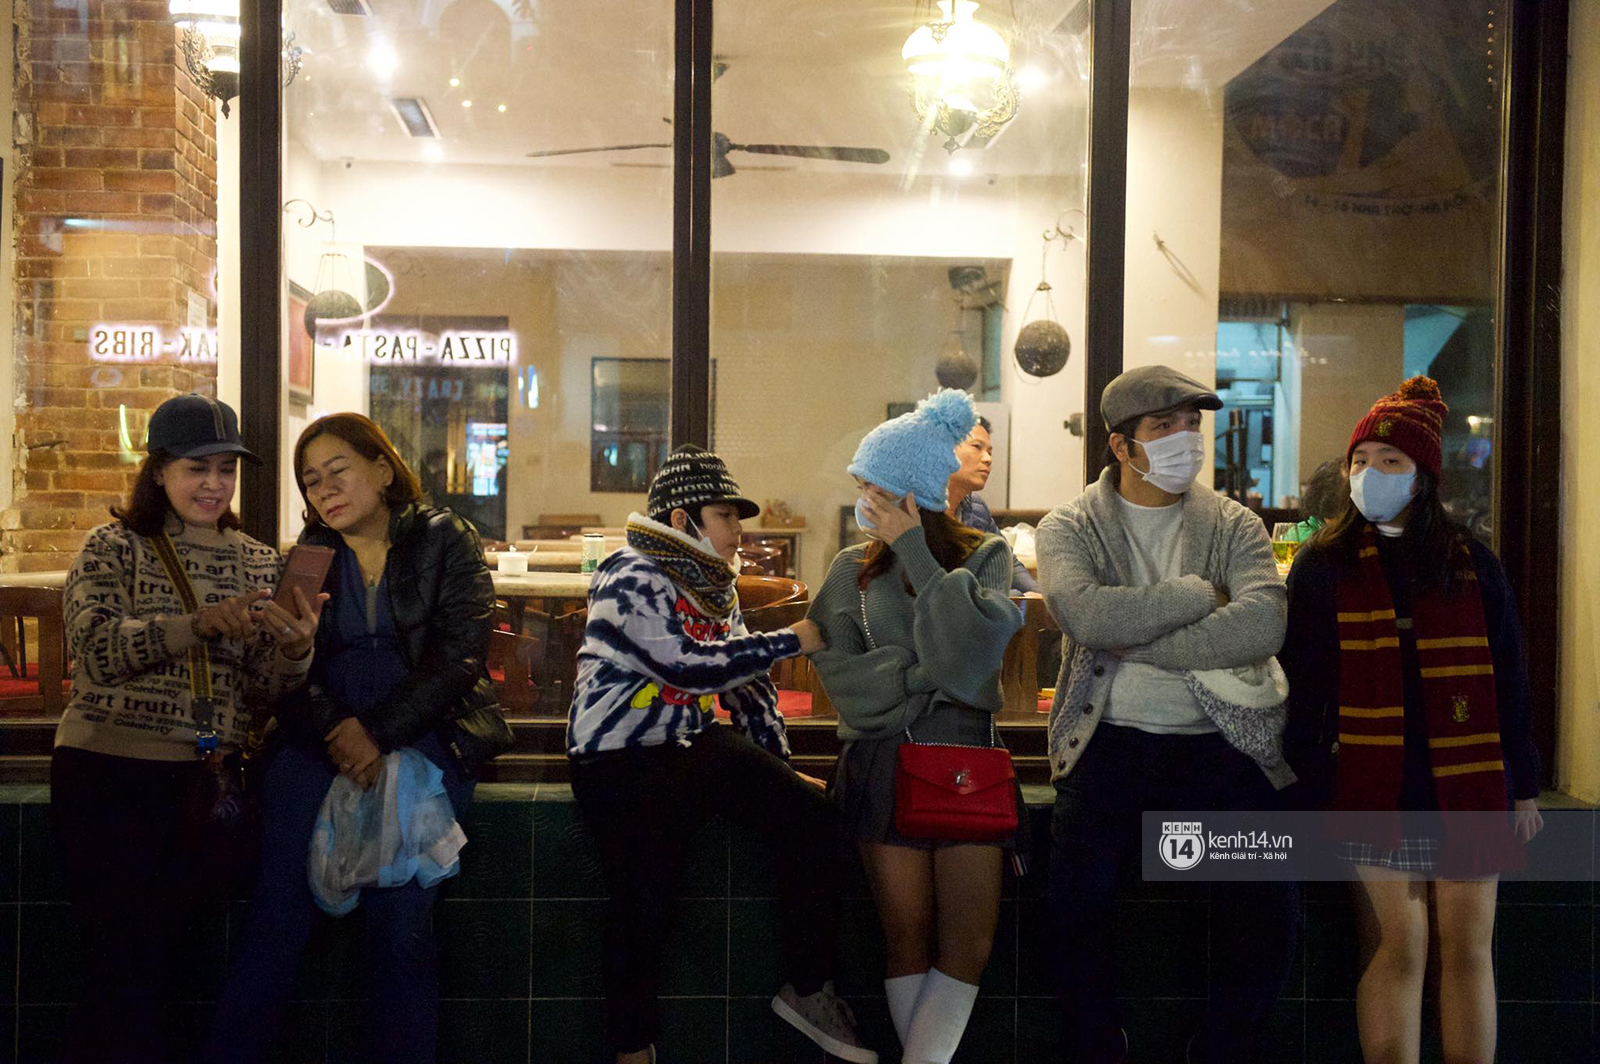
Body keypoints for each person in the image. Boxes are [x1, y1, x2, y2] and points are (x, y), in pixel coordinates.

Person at [206, 413, 513, 1064]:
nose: (325, 490)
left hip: (424, 741)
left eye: (337, 470)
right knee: (275, 924)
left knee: (403, 934)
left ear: (381, 467)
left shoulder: (444, 537)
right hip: (318, 745)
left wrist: (375, 733)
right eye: (311, 482)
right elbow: (290, 676)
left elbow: (460, 659)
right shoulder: (308, 559)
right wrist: (338, 733)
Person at [566, 444, 876, 1064]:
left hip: (689, 741)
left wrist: (778, 773)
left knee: (812, 819)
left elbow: (747, 689)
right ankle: (633, 1047)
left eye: (738, 518)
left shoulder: (715, 587)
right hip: (618, 755)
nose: (739, 531)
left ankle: (808, 988)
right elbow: (682, 663)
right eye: (726, 516)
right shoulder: (631, 574)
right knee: (644, 896)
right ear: (683, 521)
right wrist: (793, 638)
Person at [1036, 365, 1298, 1064]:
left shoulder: (1234, 522)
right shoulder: (1071, 525)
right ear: (1121, 446)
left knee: (1267, 908)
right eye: (1164, 427)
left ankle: (1223, 1045)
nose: (1186, 439)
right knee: (1075, 905)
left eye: (1193, 424)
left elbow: (1264, 623)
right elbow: (1084, 613)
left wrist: (1136, 639)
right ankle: (1099, 1044)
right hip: (1109, 742)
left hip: (1221, 745)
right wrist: (1194, 594)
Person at [50, 393, 323, 1064]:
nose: (214, 485)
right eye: (197, 468)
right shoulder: (112, 546)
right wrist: (196, 624)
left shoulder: (259, 561)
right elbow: (96, 648)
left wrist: (295, 649)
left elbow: (261, 694)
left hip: (202, 784)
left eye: (226, 470)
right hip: (107, 777)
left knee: (179, 967)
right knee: (120, 968)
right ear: (160, 470)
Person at [1280, 377, 1543, 1064]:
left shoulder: (1472, 565)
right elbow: (1302, 691)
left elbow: (1510, 678)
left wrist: (1525, 785)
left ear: (1423, 475)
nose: (1371, 474)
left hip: (1466, 779)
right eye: (1360, 460)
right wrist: (1308, 785)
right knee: (1400, 943)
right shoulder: (1323, 568)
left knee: (1466, 949)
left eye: (1390, 462)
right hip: (1370, 782)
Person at [809, 389, 1024, 1064]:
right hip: (880, 763)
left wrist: (917, 551)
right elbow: (841, 679)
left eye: (873, 486)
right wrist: (919, 679)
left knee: (970, 944)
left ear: (910, 489)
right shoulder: (850, 569)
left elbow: (977, 654)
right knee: (905, 937)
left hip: (967, 765)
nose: (861, 498)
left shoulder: (984, 556)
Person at [945, 415, 1040, 594]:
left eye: (990, 451)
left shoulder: (976, 507)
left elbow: (1007, 562)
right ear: (944, 449)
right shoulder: (917, 510)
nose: (988, 459)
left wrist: (1040, 597)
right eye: (977, 447)